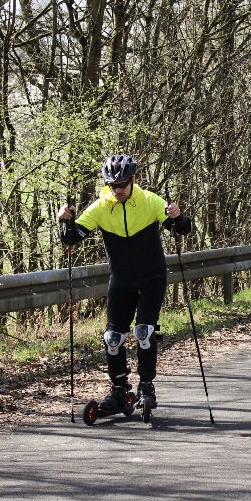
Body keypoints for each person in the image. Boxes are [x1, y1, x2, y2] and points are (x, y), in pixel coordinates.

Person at [58, 154, 193, 415]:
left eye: (122, 185)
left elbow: (181, 229)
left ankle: (146, 386)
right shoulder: (100, 207)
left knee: (144, 331)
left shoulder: (149, 201)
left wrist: (177, 216)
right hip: (121, 280)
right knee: (112, 338)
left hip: (152, 277)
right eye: (112, 185)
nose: (117, 190)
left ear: (133, 181)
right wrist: (65, 220)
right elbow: (72, 238)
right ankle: (119, 390)